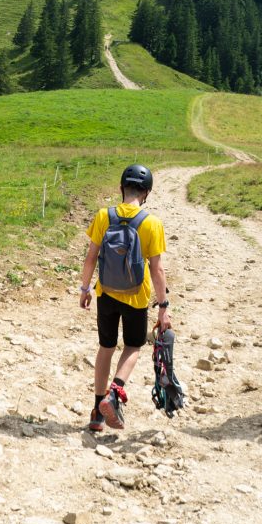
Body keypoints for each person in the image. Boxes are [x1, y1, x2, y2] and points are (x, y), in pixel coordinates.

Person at [79, 164, 171, 431]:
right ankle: (114, 392)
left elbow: (90, 257)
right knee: (133, 346)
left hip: (105, 293)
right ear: (146, 193)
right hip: (136, 298)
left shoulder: (102, 216)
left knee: (106, 348)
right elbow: (157, 269)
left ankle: (97, 412)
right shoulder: (151, 223)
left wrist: (85, 289)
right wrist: (163, 306)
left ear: (121, 188)